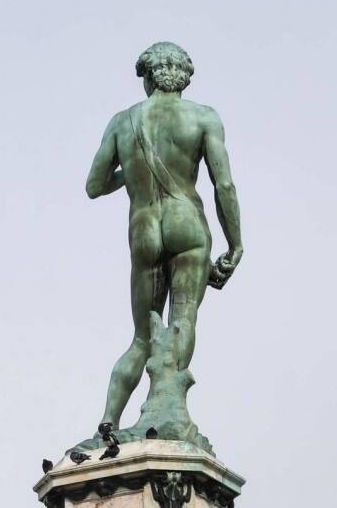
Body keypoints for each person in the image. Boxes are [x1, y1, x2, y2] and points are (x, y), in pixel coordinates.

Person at [84, 41, 243, 441]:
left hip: (144, 229)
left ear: (148, 78)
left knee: (141, 337)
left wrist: (134, 168)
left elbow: (95, 185)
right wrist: (235, 243)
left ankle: (107, 423)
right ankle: (168, 409)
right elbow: (223, 184)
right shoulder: (203, 117)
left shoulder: (122, 122)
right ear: (183, 77)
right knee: (182, 320)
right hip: (187, 224)